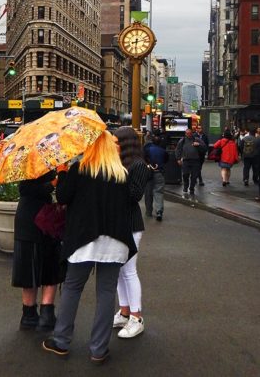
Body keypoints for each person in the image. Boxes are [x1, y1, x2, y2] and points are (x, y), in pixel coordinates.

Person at [42, 131, 135, 363]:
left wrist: (62, 172)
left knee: (73, 288)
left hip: (83, 240)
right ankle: (98, 349)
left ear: (91, 148)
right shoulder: (121, 174)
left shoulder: (79, 171)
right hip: (115, 242)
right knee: (105, 293)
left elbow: (62, 197)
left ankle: (61, 340)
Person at [12, 171, 64, 332]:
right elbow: (29, 189)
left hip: (29, 220)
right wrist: (55, 181)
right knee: (47, 264)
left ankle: (31, 315)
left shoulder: (26, 161)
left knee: (33, 265)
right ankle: (41, 314)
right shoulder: (38, 163)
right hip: (40, 220)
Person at [113, 126, 150, 339]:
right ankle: (124, 311)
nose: (113, 145)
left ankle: (137, 317)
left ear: (125, 143)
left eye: (116, 142)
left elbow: (134, 195)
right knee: (118, 270)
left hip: (131, 223)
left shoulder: (138, 165)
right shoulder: (121, 164)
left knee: (128, 271)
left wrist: (117, 176)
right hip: (118, 222)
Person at [143, 132, 168, 221]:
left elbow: (143, 160)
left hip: (149, 173)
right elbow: (165, 160)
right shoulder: (163, 151)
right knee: (159, 192)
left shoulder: (147, 149)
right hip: (159, 173)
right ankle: (159, 211)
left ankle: (149, 211)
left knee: (148, 192)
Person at [175, 127, 206, 197]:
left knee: (194, 176)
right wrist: (178, 159)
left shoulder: (197, 140)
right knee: (185, 174)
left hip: (195, 161)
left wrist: (198, 145)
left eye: (190, 133)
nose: (189, 135)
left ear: (192, 133)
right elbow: (178, 150)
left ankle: (192, 188)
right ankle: (186, 186)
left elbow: (204, 148)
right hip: (186, 160)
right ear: (185, 134)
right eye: (187, 133)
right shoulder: (182, 141)